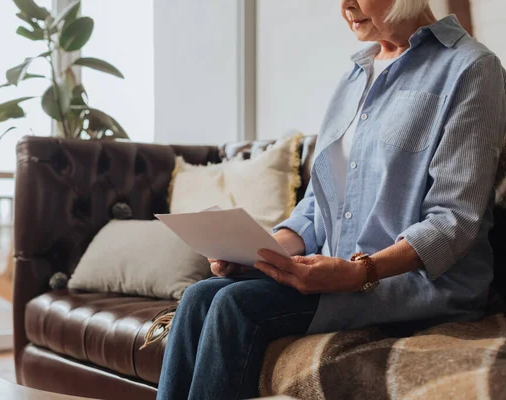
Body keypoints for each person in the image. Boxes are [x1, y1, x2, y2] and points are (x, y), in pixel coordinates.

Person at [156, 0, 506, 399]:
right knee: (200, 296)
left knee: (235, 307)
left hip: (412, 284)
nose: (346, 6)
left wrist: (360, 273)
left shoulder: (472, 68)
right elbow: (318, 204)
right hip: (337, 273)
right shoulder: (355, 75)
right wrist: (262, 251)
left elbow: (453, 220)